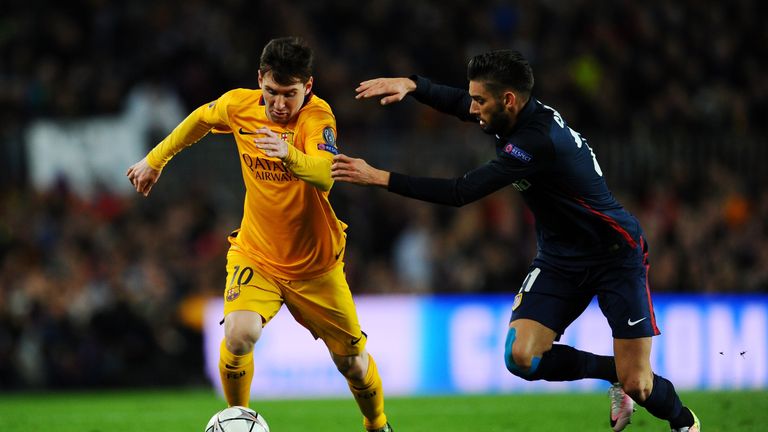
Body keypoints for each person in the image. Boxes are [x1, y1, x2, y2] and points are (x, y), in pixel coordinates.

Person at [331, 49, 700, 432]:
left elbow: (461, 191)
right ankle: (612, 372)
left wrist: (380, 177)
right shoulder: (512, 114)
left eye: (480, 100)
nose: (472, 108)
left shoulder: (535, 141)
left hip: (615, 254)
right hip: (560, 256)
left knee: (640, 383)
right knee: (520, 357)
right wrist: (413, 86)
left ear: (508, 99)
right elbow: (460, 103)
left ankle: (684, 422)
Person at [126, 37, 392, 432]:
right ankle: (237, 420)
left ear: (309, 87)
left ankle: (377, 425)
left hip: (315, 266)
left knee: (352, 363)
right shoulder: (240, 105)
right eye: (271, 92)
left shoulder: (317, 118)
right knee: (239, 334)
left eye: (290, 94)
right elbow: (200, 118)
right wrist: (154, 159)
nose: (280, 104)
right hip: (257, 255)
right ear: (259, 81)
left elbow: (325, 175)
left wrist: (288, 154)